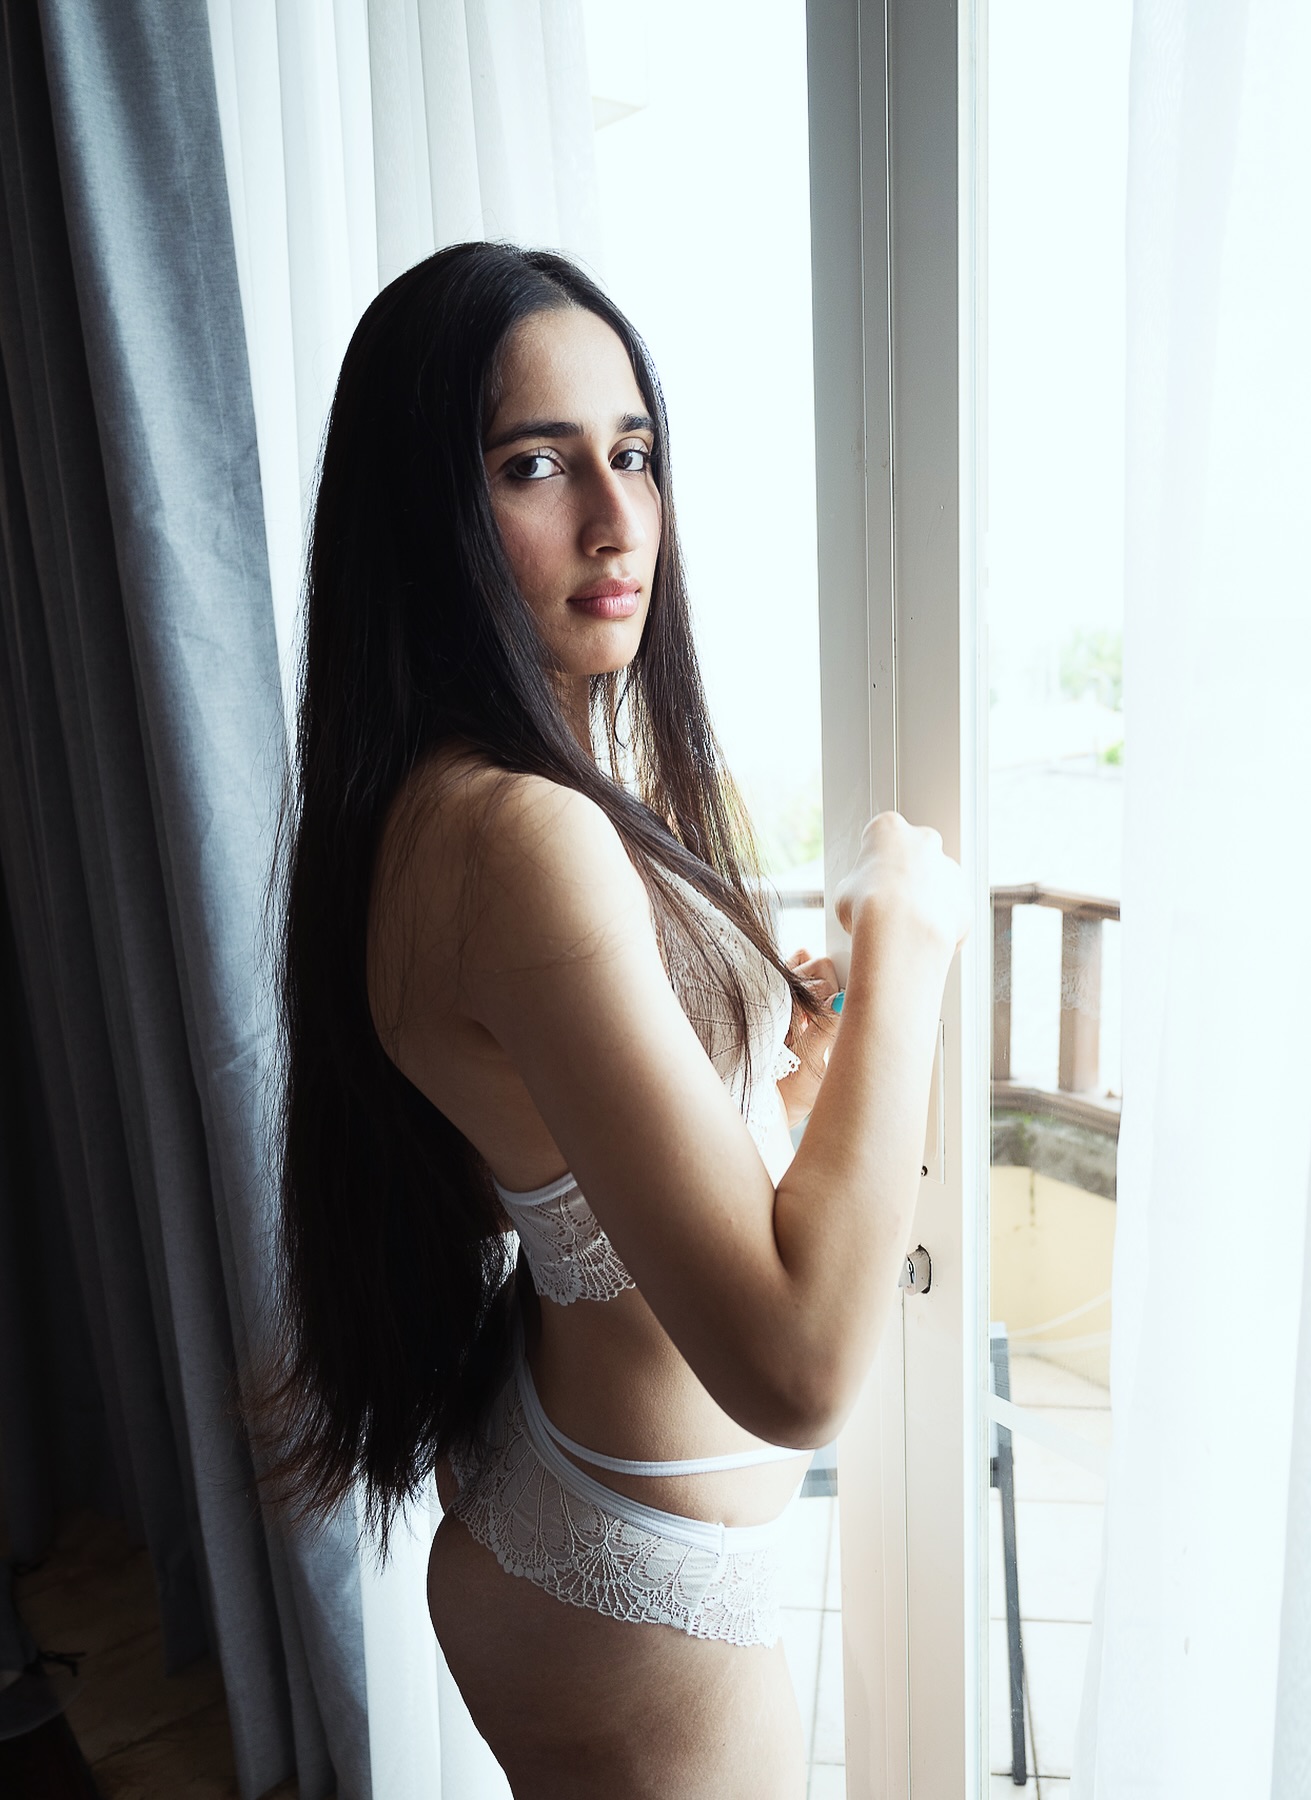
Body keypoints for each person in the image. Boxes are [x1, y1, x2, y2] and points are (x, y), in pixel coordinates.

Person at [264, 240, 967, 1798]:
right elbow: (795, 1369)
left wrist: (782, 1086)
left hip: (578, 1503)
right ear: (427, 512)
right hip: (630, 1579)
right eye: (535, 464)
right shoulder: (517, 833)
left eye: (633, 453)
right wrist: (911, 951)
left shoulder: (453, 798)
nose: (616, 517)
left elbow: (579, 1147)